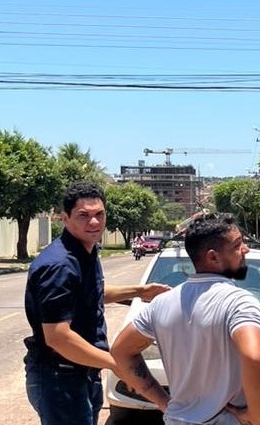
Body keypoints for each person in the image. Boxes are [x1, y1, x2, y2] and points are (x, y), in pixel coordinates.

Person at [23, 181, 171, 425]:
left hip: (83, 371)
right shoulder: (59, 265)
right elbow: (58, 336)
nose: (94, 222)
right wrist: (117, 364)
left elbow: (92, 293)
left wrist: (140, 291)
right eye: (84, 215)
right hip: (60, 377)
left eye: (99, 214)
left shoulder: (86, 251)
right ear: (64, 218)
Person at [110, 217, 260, 425]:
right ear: (213, 257)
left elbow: (120, 351)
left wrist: (162, 402)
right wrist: (256, 416)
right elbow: (256, 357)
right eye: (238, 245)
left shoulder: (161, 304)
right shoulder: (238, 302)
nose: (246, 250)